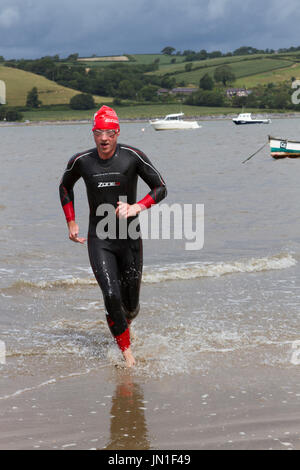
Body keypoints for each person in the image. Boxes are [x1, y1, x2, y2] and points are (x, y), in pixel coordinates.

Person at [59, 105, 167, 367]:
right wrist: (71, 221)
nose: (104, 138)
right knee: (110, 294)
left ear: (117, 132)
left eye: (109, 133)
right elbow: (65, 186)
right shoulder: (81, 161)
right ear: (93, 134)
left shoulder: (132, 157)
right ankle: (127, 354)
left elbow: (161, 187)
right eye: (99, 133)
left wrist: (137, 206)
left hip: (129, 237)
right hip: (100, 238)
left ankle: (122, 326)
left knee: (130, 307)